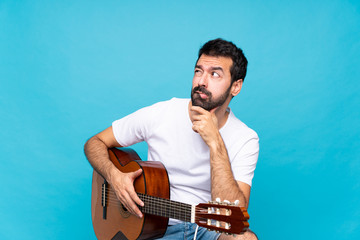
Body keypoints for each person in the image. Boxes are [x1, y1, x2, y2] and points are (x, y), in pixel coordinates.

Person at [84, 38, 259, 240]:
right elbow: (94, 143)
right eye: (198, 71)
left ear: (236, 87)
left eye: (215, 74)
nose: (202, 81)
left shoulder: (245, 138)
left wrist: (215, 142)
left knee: (244, 239)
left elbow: (233, 217)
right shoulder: (161, 113)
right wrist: (114, 176)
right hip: (149, 227)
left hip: (204, 230)